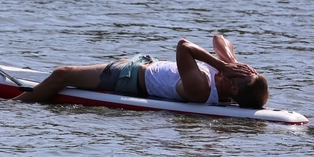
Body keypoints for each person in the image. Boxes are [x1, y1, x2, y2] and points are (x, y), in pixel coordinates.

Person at [13, 35, 269, 109]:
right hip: (142, 63)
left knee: (62, 74)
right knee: (72, 75)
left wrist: (223, 65)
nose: (245, 68)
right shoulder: (228, 82)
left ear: (235, 88)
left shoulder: (201, 87)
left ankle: (11, 107)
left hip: (129, 77)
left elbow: (183, 46)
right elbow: (219, 38)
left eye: (246, 73)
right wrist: (230, 60)